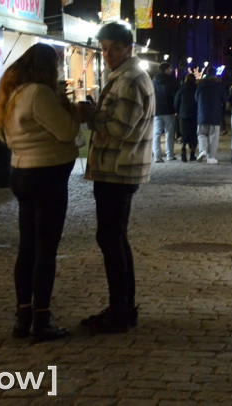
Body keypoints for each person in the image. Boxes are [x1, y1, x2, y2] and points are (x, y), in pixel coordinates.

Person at [0, 44, 81, 342]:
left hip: (23, 172)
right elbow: (66, 132)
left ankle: (23, 315)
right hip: (47, 174)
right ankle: (42, 318)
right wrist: (76, 113)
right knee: (45, 250)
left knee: (27, 247)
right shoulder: (39, 93)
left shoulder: (15, 92)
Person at [76, 21, 154, 334]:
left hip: (119, 169)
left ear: (128, 49)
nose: (107, 54)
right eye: (104, 48)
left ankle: (120, 310)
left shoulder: (131, 79)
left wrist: (90, 116)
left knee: (111, 238)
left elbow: (121, 128)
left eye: (113, 49)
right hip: (116, 168)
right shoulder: (124, 77)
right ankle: (122, 306)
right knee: (114, 237)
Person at [194, 68, 228, 164]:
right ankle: (211, 157)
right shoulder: (219, 86)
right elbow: (225, 99)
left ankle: (203, 150)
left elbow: (196, 99)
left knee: (201, 134)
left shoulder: (200, 86)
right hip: (215, 115)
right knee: (213, 137)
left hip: (202, 115)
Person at [151, 62, 178, 163]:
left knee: (156, 134)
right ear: (166, 69)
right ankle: (169, 155)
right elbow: (174, 95)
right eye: (169, 69)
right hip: (168, 110)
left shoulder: (154, 81)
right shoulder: (171, 81)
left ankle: (157, 156)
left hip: (157, 110)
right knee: (169, 133)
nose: (170, 70)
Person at [173, 72, 198, 162]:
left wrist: (178, 111)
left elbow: (176, 102)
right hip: (195, 114)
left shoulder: (182, 89)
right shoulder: (196, 88)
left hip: (183, 114)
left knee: (185, 133)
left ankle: (183, 148)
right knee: (193, 134)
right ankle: (192, 154)